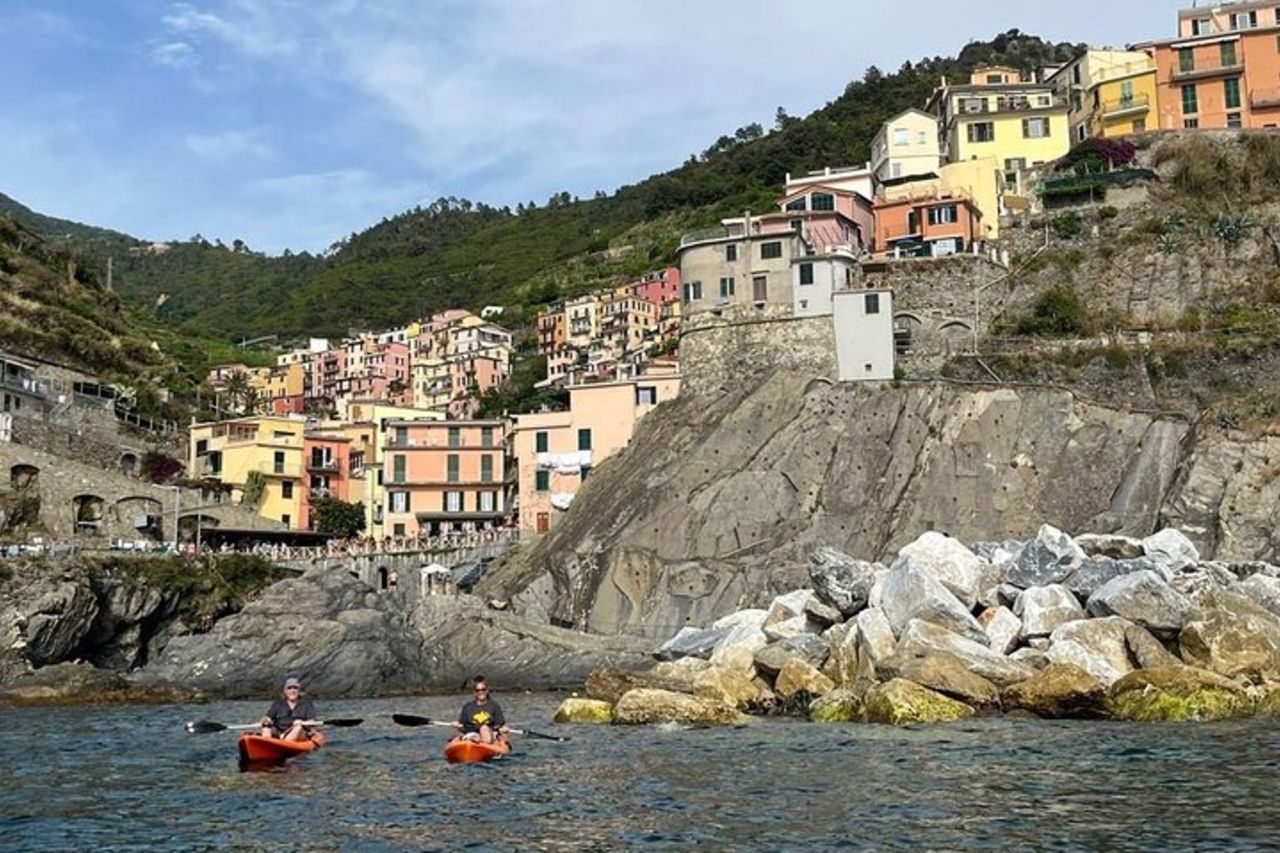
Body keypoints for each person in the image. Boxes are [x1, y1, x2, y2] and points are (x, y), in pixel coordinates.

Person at [453, 674, 508, 745]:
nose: (481, 692)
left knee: (484, 728)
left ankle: (482, 743)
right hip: (472, 733)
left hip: (490, 733)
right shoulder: (467, 707)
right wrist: (457, 724)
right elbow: (462, 724)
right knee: (460, 734)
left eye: (483, 689)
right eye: (477, 690)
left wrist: (502, 729)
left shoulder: (494, 706)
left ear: (487, 690)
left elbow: (499, 724)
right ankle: (474, 741)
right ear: (474, 692)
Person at [258, 676, 317, 741]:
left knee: (298, 728)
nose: (292, 691)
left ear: (299, 690)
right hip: (280, 731)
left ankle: (283, 745)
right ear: (285, 691)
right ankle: (268, 745)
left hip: (299, 732)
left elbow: (311, 721)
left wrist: (301, 722)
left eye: (295, 688)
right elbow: (268, 717)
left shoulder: (307, 704)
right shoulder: (278, 703)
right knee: (266, 728)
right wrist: (265, 720)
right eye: (289, 688)